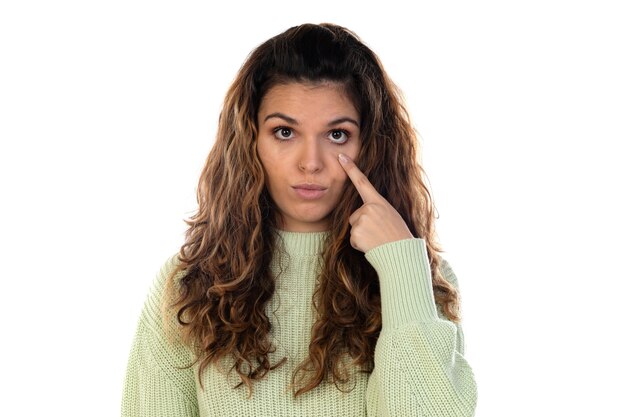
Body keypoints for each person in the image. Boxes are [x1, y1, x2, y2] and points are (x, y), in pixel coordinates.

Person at [121, 22, 478, 416]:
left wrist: (399, 266)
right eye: (285, 132)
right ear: (250, 140)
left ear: (371, 145)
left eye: (337, 135)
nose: (311, 163)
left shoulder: (417, 278)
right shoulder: (188, 286)